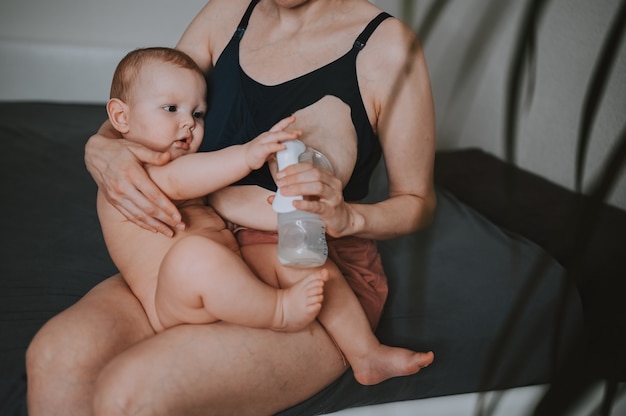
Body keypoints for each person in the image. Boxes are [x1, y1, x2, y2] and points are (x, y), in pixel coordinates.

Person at [26, 1, 437, 415]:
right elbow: (147, 97)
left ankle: (359, 348)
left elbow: (417, 203)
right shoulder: (228, 12)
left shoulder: (388, 48)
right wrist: (101, 146)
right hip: (186, 249)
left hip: (301, 262)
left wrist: (351, 218)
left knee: (131, 392)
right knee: (56, 355)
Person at [100, 46, 328, 333]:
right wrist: (247, 155)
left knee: (287, 259)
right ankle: (279, 311)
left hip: (224, 276)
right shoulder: (129, 174)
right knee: (194, 256)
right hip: (173, 300)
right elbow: (181, 179)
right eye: (171, 109)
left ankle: (363, 349)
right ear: (121, 117)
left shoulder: (183, 163)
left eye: (198, 114)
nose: (189, 123)